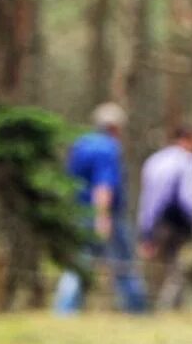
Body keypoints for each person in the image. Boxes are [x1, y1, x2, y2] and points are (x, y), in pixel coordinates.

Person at [54, 103, 148, 315]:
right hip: (103, 214)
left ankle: (64, 311)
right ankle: (136, 311)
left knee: (78, 264)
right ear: (114, 127)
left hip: (78, 213)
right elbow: (103, 186)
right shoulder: (107, 148)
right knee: (123, 263)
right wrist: (102, 217)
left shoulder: (81, 145)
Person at [137, 125, 192, 311]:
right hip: (177, 221)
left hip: (154, 222)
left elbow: (146, 198)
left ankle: (145, 305)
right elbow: (187, 197)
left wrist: (145, 230)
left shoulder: (154, 161)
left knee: (154, 267)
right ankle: (165, 307)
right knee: (177, 267)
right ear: (188, 140)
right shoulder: (188, 161)